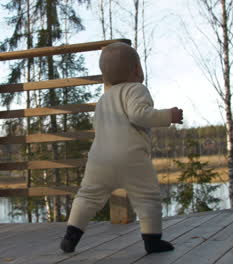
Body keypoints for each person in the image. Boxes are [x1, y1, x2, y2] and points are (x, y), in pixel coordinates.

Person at [60, 42, 183, 254]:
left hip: (99, 160)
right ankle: (152, 241)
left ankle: (71, 236)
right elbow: (139, 114)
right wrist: (167, 116)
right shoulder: (136, 89)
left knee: (88, 197)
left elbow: (97, 125)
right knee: (147, 197)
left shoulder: (102, 99)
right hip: (131, 157)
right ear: (136, 69)